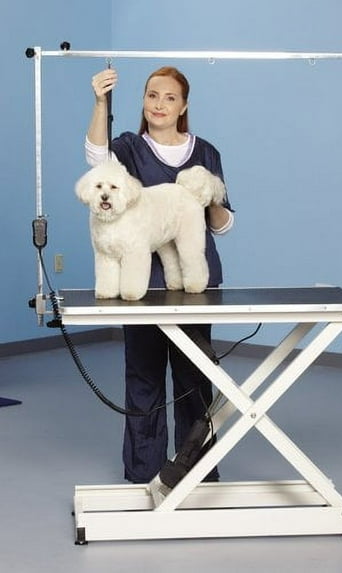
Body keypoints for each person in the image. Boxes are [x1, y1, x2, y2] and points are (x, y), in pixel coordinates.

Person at [85, 65, 233, 483]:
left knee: (194, 380)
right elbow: (96, 160)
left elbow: (223, 225)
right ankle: (143, 473)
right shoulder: (128, 147)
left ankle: (195, 473)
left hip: (195, 289)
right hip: (143, 289)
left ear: (183, 106)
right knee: (143, 379)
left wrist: (209, 196)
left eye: (170, 98)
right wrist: (100, 102)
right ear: (143, 102)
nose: (160, 104)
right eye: (152, 95)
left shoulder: (206, 152)